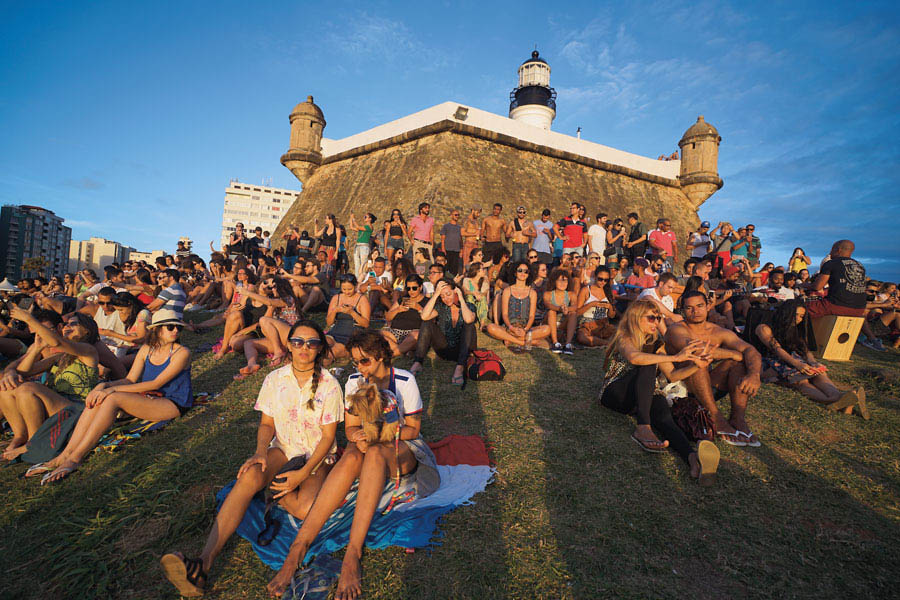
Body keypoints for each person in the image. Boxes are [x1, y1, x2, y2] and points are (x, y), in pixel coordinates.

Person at [161, 320, 342, 597]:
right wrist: (259, 452)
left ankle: (275, 490)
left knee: (305, 509)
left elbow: (328, 438)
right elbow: (267, 425)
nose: (304, 348)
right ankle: (203, 564)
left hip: (316, 456)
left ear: (319, 349)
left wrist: (304, 473)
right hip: (282, 448)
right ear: (289, 345)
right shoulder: (274, 379)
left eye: (312, 343)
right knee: (248, 477)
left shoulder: (329, 384)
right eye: (297, 342)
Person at [266, 331, 439, 598]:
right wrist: (357, 436)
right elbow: (350, 428)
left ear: (381, 357)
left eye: (365, 361)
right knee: (354, 455)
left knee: (374, 453)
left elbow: (413, 430)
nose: (359, 367)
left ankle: (352, 554)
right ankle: (298, 548)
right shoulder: (354, 382)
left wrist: (378, 435)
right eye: (356, 362)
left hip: (402, 449)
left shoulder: (404, 380)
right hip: (369, 446)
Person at [36, 309, 192, 483]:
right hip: (150, 398)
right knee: (99, 397)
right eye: (170, 327)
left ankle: (76, 458)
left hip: (173, 403)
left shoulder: (182, 352)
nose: (176, 331)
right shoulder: (147, 349)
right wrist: (104, 385)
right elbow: (130, 379)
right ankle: (64, 454)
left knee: (112, 398)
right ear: (157, 329)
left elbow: (156, 384)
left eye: (178, 328)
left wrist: (112, 390)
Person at [598, 300, 720, 484]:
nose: (656, 322)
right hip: (615, 393)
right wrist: (676, 356)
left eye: (658, 318)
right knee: (647, 365)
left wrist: (696, 365)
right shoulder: (625, 336)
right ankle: (643, 427)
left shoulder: (656, 345)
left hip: (644, 397)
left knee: (665, 419)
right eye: (651, 318)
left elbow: (672, 374)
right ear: (636, 318)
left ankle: (692, 458)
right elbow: (634, 357)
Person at [666, 291, 763, 447]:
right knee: (698, 361)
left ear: (707, 306)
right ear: (683, 310)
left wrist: (754, 374)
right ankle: (716, 417)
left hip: (706, 387)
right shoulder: (676, 330)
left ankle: (738, 418)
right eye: (689, 308)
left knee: (738, 363)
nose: (695, 311)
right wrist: (733, 353)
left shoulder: (717, 331)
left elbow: (751, 350)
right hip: (682, 390)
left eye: (699, 306)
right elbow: (696, 351)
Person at [0, 308, 99, 461]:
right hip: (57, 404)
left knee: (28, 388)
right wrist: (37, 349)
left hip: (77, 408)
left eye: (74, 325)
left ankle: (33, 443)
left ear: (87, 331)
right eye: (67, 325)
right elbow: (24, 371)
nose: (67, 327)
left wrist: (28, 318)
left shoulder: (88, 350)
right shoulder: (61, 355)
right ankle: (20, 436)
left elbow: (56, 341)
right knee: (7, 387)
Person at [753, 300, 865, 413]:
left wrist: (813, 362)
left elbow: (804, 350)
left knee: (818, 374)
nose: (798, 319)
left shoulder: (795, 330)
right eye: (795, 314)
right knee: (802, 381)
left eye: (801, 316)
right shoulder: (764, 328)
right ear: (785, 312)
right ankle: (835, 399)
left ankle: (841, 399)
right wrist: (797, 364)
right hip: (769, 364)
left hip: (790, 361)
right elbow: (777, 350)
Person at [411, 278, 477, 384]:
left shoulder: (469, 306)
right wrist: (436, 294)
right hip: (445, 349)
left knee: (469, 325)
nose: (445, 298)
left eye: (448, 294)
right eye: (442, 296)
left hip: (463, 350)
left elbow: (469, 319)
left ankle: (459, 368)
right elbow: (424, 316)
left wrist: (460, 297)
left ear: (455, 291)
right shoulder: (441, 307)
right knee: (427, 323)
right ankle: (418, 362)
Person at [485, 261, 551, 352]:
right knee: (490, 327)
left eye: (526, 271)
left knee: (547, 329)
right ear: (515, 273)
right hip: (509, 328)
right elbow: (504, 314)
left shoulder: (532, 292)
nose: (523, 273)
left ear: (529, 274)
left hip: (526, 328)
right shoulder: (508, 290)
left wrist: (525, 329)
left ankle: (511, 339)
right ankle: (523, 342)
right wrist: (511, 328)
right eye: (520, 270)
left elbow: (531, 316)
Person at [327, 274, 371, 359]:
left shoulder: (362, 299)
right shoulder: (336, 298)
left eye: (350, 289)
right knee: (320, 345)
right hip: (335, 332)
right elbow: (329, 322)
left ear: (355, 286)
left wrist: (352, 313)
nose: (347, 292)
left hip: (352, 335)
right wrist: (335, 310)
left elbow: (366, 324)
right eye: (344, 289)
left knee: (332, 352)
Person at [382, 274, 426, 356]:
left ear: (420, 287)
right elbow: (388, 317)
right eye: (408, 288)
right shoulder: (402, 300)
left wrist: (419, 308)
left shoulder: (426, 302)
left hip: (412, 333)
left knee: (417, 335)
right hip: (395, 332)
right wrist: (398, 310)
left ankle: (393, 353)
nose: (411, 291)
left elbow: (431, 320)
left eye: (414, 288)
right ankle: (403, 350)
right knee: (380, 334)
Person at [574, 265, 616, 347]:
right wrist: (591, 304)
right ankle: (606, 343)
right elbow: (577, 312)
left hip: (602, 324)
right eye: (600, 279)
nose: (603, 282)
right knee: (582, 338)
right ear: (595, 277)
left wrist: (610, 307)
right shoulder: (586, 290)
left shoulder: (608, 292)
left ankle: (601, 341)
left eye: (606, 280)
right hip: (587, 323)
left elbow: (612, 315)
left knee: (619, 334)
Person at [349, 212, 376, 281]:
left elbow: (357, 227)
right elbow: (351, 227)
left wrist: (354, 219)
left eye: (365, 217)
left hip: (364, 246)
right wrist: (351, 218)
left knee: (363, 264)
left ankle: (363, 279)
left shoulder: (369, 227)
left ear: (370, 219)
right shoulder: (363, 228)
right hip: (358, 245)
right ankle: (357, 279)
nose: (364, 218)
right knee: (357, 264)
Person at [462, 262, 490, 327]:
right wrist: (474, 293)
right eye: (482, 269)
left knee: (483, 298)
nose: (484, 271)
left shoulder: (484, 280)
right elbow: (465, 291)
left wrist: (479, 295)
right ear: (477, 271)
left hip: (479, 303)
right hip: (469, 304)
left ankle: (482, 323)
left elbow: (485, 292)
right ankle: (471, 316)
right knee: (469, 296)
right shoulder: (467, 280)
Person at [440, 208, 463, 276]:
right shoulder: (446, 226)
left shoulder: (459, 227)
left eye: (458, 215)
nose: (457, 216)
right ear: (451, 216)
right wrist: (443, 249)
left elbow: (461, 239)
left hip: (456, 251)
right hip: (447, 250)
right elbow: (442, 239)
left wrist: (461, 250)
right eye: (456, 215)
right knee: (446, 267)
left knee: (455, 269)